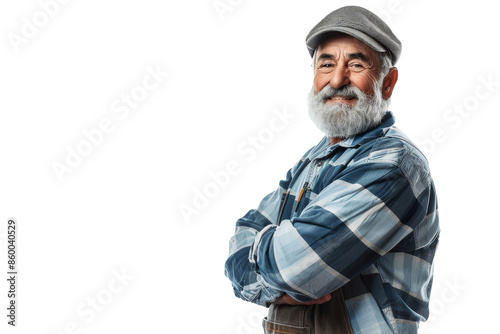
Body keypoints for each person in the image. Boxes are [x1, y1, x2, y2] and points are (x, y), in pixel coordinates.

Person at [224, 5, 439, 334]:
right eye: (327, 64)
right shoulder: (314, 158)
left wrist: (267, 266)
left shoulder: (393, 165)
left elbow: (295, 271)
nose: (337, 80)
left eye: (356, 64)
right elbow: (242, 232)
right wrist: (269, 258)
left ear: (388, 83)